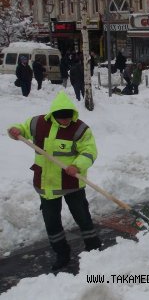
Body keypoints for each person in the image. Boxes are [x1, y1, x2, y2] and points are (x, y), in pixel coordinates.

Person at [7, 91, 102, 270]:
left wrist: (78, 165)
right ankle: (61, 253)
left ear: (72, 115)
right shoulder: (38, 123)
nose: (65, 121)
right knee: (51, 222)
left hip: (72, 183)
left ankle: (94, 247)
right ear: (54, 115)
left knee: (82, 217)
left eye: (67, 118)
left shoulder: (80, 129)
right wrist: (16, 130)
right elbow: (22, 128)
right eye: (61, 118)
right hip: (46, 183)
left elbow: (90, 151)